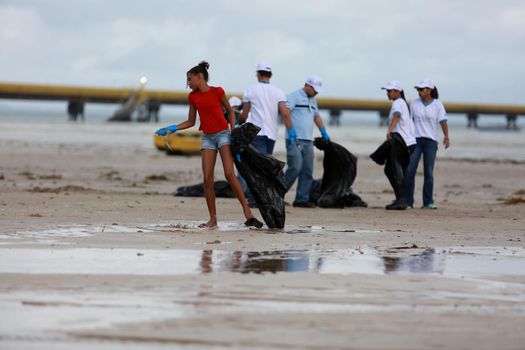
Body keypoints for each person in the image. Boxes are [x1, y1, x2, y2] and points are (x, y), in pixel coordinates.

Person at [155, 61, 262, 229]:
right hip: (207, 138)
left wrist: (233, 131)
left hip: (223, 135)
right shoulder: (193, 97)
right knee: (207, 179)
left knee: (229, 174)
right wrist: (172, 128)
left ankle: (248, 213)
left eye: (189, 80)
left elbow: (231, 112)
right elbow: (191, 121)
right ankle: (213, 220)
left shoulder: (217, 91)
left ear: (200, 77)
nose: (188, 84)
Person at [237, 62, 294, 207]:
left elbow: (244, 114)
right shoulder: (278, 91)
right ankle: (264, 196)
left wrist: (238, 123)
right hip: (271, 134)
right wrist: (291, 132)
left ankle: (254, 198)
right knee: (266, 166)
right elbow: (285, 113)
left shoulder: (250, 90)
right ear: (271, 75)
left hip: (256, 133)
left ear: (257, 74)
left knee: (254, 167)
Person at [284, 75, 330, 208]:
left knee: (307, 170)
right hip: (294, 139)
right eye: (314, 89)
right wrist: (291, 132)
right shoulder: (294, 96)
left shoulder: (313, 100)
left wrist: (324, 132)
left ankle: (301, 199)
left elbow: (317, 117)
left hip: (308, 140)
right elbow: (286, 113)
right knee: (295, 167)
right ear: (307, 85)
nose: (316, 92)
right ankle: (278, 193)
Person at [370, 80, 416, 210]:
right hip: (409, 143)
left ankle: (401, 199)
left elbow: (396, 115)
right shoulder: (403, 103)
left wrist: (389, 130)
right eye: (387, 91)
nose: (387, 93)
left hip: (401, 143)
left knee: (391, 170)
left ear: (398, 91)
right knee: (400, 171)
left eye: (390, 91)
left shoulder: (398, 103)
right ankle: (403, 199)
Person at [406, 79, 450, 209]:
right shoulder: (414, 104)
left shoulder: (438, 105)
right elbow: (408, 121)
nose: (419, 91)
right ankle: (408, 202)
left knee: (428, 172)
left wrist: (446, 137)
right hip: (416, 140)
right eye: (418, 89)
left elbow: (443, 121)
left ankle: (428, 201)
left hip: (431, 142)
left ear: (429, 90)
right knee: (410, 170)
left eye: (422, 89)